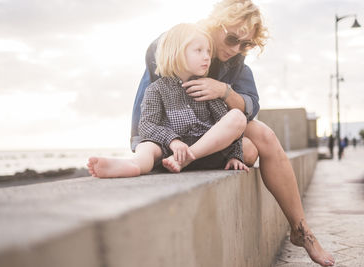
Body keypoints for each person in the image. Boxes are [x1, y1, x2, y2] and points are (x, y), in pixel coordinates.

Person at [129, 0, 335, 266]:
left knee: (262, 139)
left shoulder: (237, 63)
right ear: (215, 23)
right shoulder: (174, 41)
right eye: (232, 38)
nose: (237, 49)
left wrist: (223, 91)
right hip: (170, 135)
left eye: (246, 44)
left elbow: (250, 107)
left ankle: (301, 231)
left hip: (208, 131)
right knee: (248, 148)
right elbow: (158, 110)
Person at [87, 23, 248, 179]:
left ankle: (187, 158)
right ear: (176, 52)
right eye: (198, 50)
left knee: (236, 116)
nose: (206, 56)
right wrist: (172, 140)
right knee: (147, 146)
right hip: (169, 154)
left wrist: (235, 156)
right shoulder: (156, 89)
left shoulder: (206, 88)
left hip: (206, 153)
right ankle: (134, 165)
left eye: (208, 51)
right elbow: (147, 125)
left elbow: (229, 128)